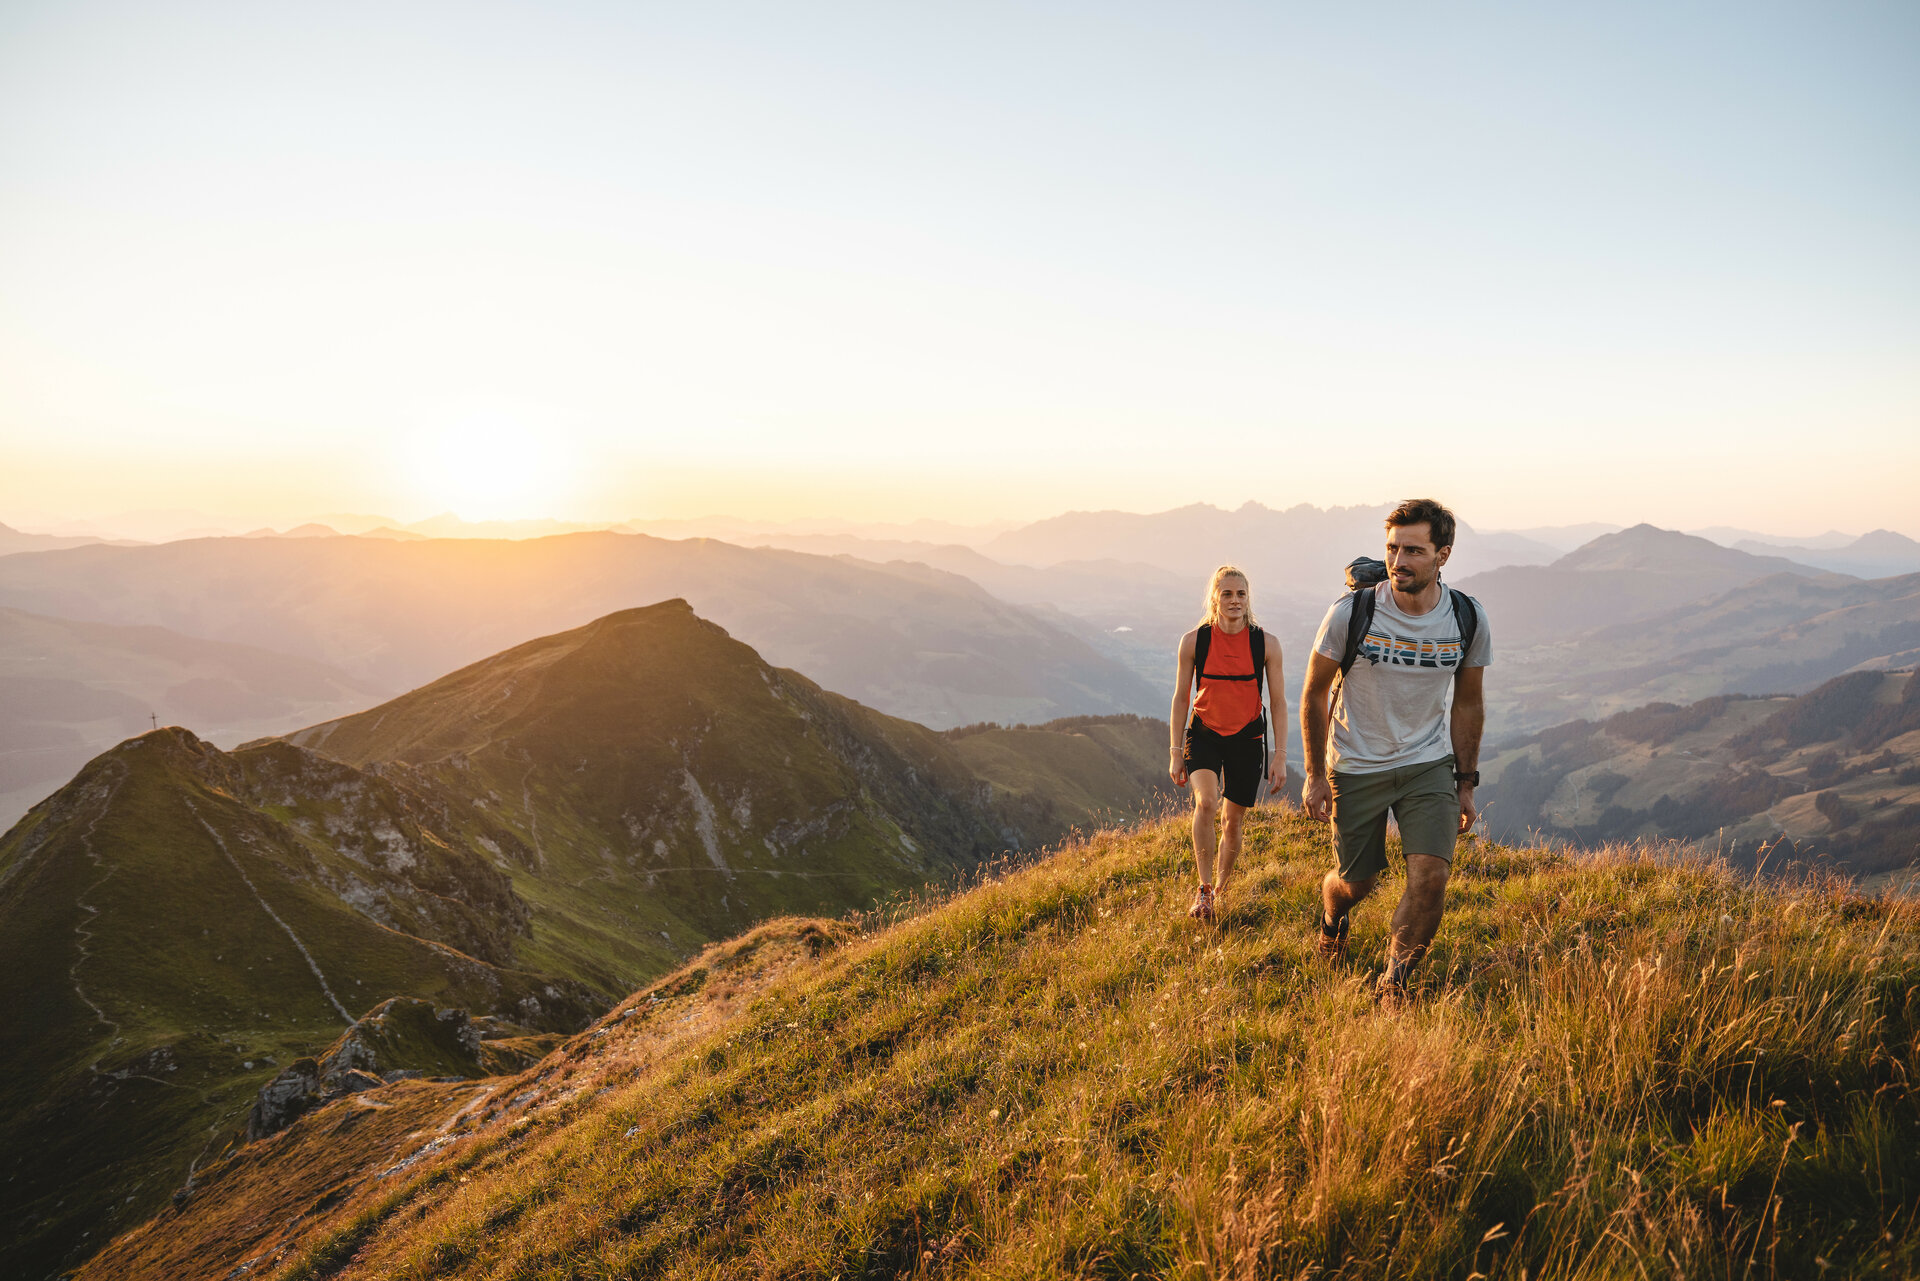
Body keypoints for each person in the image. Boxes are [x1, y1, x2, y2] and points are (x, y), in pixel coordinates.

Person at [1299, 499, 1491, 1004]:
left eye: (1413, 550)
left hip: (1427, 765)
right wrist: (1315, 775)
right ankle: (1332, 912)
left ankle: (1394, 984)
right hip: (1357, 764)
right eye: (1391, 548)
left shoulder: (1467, 618)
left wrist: (1464, 784)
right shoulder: (1352, 613)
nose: (1397, 561)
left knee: (1431, 878)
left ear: (1442, 555)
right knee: (1355, 883)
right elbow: (1314, 691)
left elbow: (1468, 704)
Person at [1170, 566, 1287, 922]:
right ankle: (1203, 892)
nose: (1234, 600)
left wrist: (1279, 755)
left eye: (1240, 594)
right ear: (1214, 599)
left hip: (1247, 739)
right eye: (1227, 594)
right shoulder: (1195, 641)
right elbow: (1180, 698)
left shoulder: (1265, 644)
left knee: (1232, 822)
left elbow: (1279, 702)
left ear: (1248, 599)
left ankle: (1221, 889)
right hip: (1204, 733)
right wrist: (1175, 751)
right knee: (1206, 803)